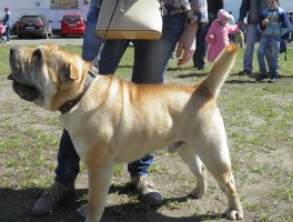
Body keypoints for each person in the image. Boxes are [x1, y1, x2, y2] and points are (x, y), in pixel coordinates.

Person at [32, 0, 200, 216]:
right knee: (78, 91)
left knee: (147, 99)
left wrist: (193, 23)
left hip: (166, 10)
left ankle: (140, 173)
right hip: (108, 7)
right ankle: (63, 180)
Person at [255, 0, 289, 83]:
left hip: (275, 37)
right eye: (268, 2)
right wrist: (262, 25)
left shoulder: (281, 12)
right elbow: (258, 25)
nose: (270, 4)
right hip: (265, 36)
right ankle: (263, 73)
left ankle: (274, 74)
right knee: (260, 53)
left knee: (274, 56)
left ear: (277, 2)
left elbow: (287, 26)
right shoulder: (264, 12)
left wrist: (279, 35)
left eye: (272, 2)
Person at [238, 0, 269, 76]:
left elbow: (274, 4)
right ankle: (247, 69)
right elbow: (244, 7)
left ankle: (271, 69)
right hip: (252, 23)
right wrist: (241, 19)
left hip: (266, 23)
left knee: (267, 46)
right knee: (249, 46)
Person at [192, 0, 223, 71]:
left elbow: (220, 6)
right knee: (197, 39)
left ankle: (199, 62)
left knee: (202, 40)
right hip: (196, 15)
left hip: (208, 17)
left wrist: (218, 19)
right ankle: (197, 60)